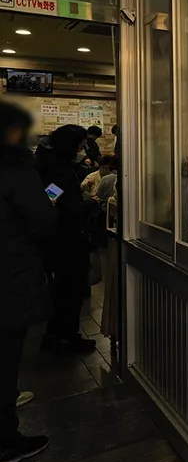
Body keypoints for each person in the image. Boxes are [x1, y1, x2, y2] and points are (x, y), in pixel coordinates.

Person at [0, 101, 55, 462]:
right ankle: (6, 443)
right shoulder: (15, 171)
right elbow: (43, 222)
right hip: (9, 280)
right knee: (5, 360)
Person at [35, 124, 97, 354]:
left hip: (57, 240)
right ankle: (67, 338)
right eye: (81, 144)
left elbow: (51, 198)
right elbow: (64, 205)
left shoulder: (50, 165)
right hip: (67, 240)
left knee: (61, 290)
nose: (83, 148)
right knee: (71, 290)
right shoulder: (59, 171)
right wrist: (88, 205)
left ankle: (56, 336)